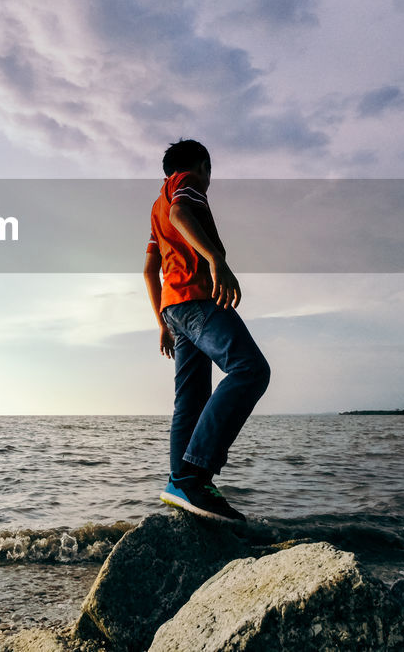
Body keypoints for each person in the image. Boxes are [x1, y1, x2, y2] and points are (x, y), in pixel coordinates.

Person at [144, 139, 271, 523]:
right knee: (250, 370)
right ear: (202, 165)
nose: (208, 178)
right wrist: (215, 259)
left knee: (191, 399)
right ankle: (196, 473)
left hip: (175, 309)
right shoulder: (185, 184)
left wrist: (162, 322)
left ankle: (181, 482)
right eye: (208, 170)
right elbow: (183, 211)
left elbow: (150, 269)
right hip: (198, 299)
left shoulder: (156, 207)